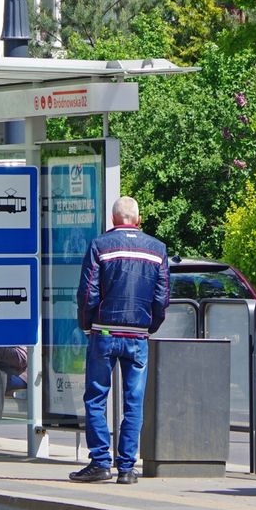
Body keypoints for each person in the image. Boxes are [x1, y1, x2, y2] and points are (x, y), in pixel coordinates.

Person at [70, 196, 170, 485]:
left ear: (113, 219)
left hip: (103, 332)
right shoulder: (157, 249)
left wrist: (87, 325)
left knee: (96, 397)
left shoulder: (100, 245)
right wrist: (150, 326)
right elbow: (162, 297)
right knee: (133, 401)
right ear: (137, 220)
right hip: (138, 335)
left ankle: (100, 462)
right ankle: (127, 468)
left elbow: (87, 292)